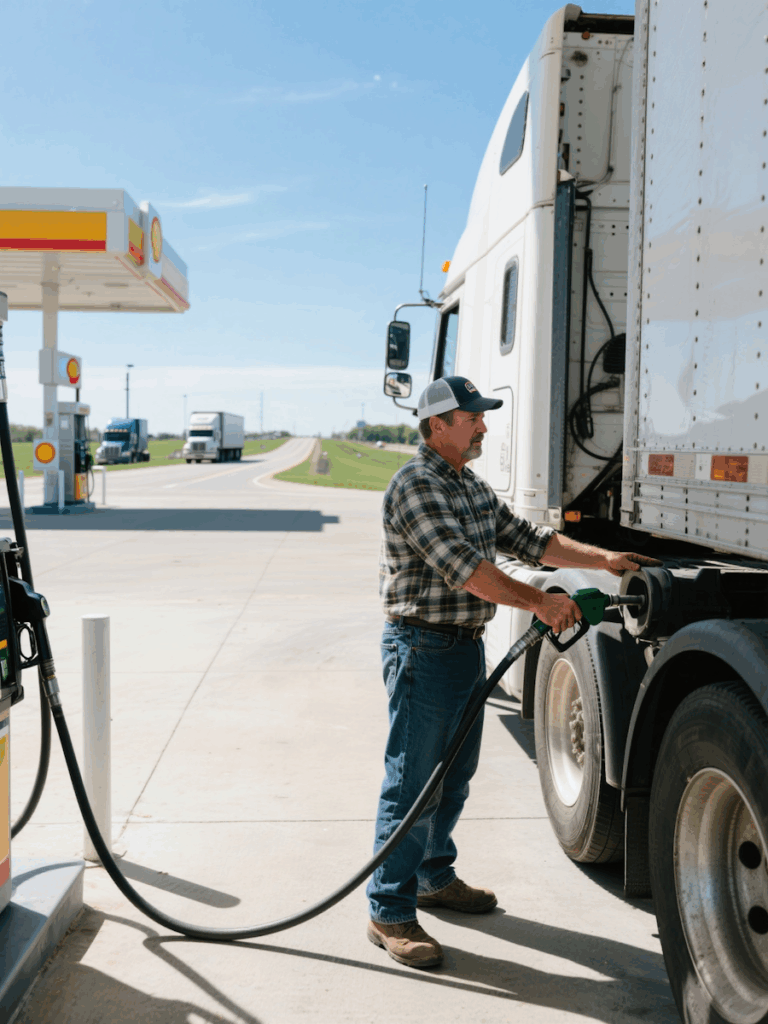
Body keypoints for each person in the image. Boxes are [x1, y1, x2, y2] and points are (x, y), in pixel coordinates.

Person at [366, 375, 662, 969]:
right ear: (437, 425)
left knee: (453, 776)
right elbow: (468, 570)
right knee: (413, 782)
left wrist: (601, 559)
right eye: (472, 416)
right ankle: (389, 911)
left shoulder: (468, 486)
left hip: (461, 648)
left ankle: (432, 875)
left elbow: (530, 541)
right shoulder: (415, 486)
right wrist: (540, 603)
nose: (482, 424)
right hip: (421, 649)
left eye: (481, 415)